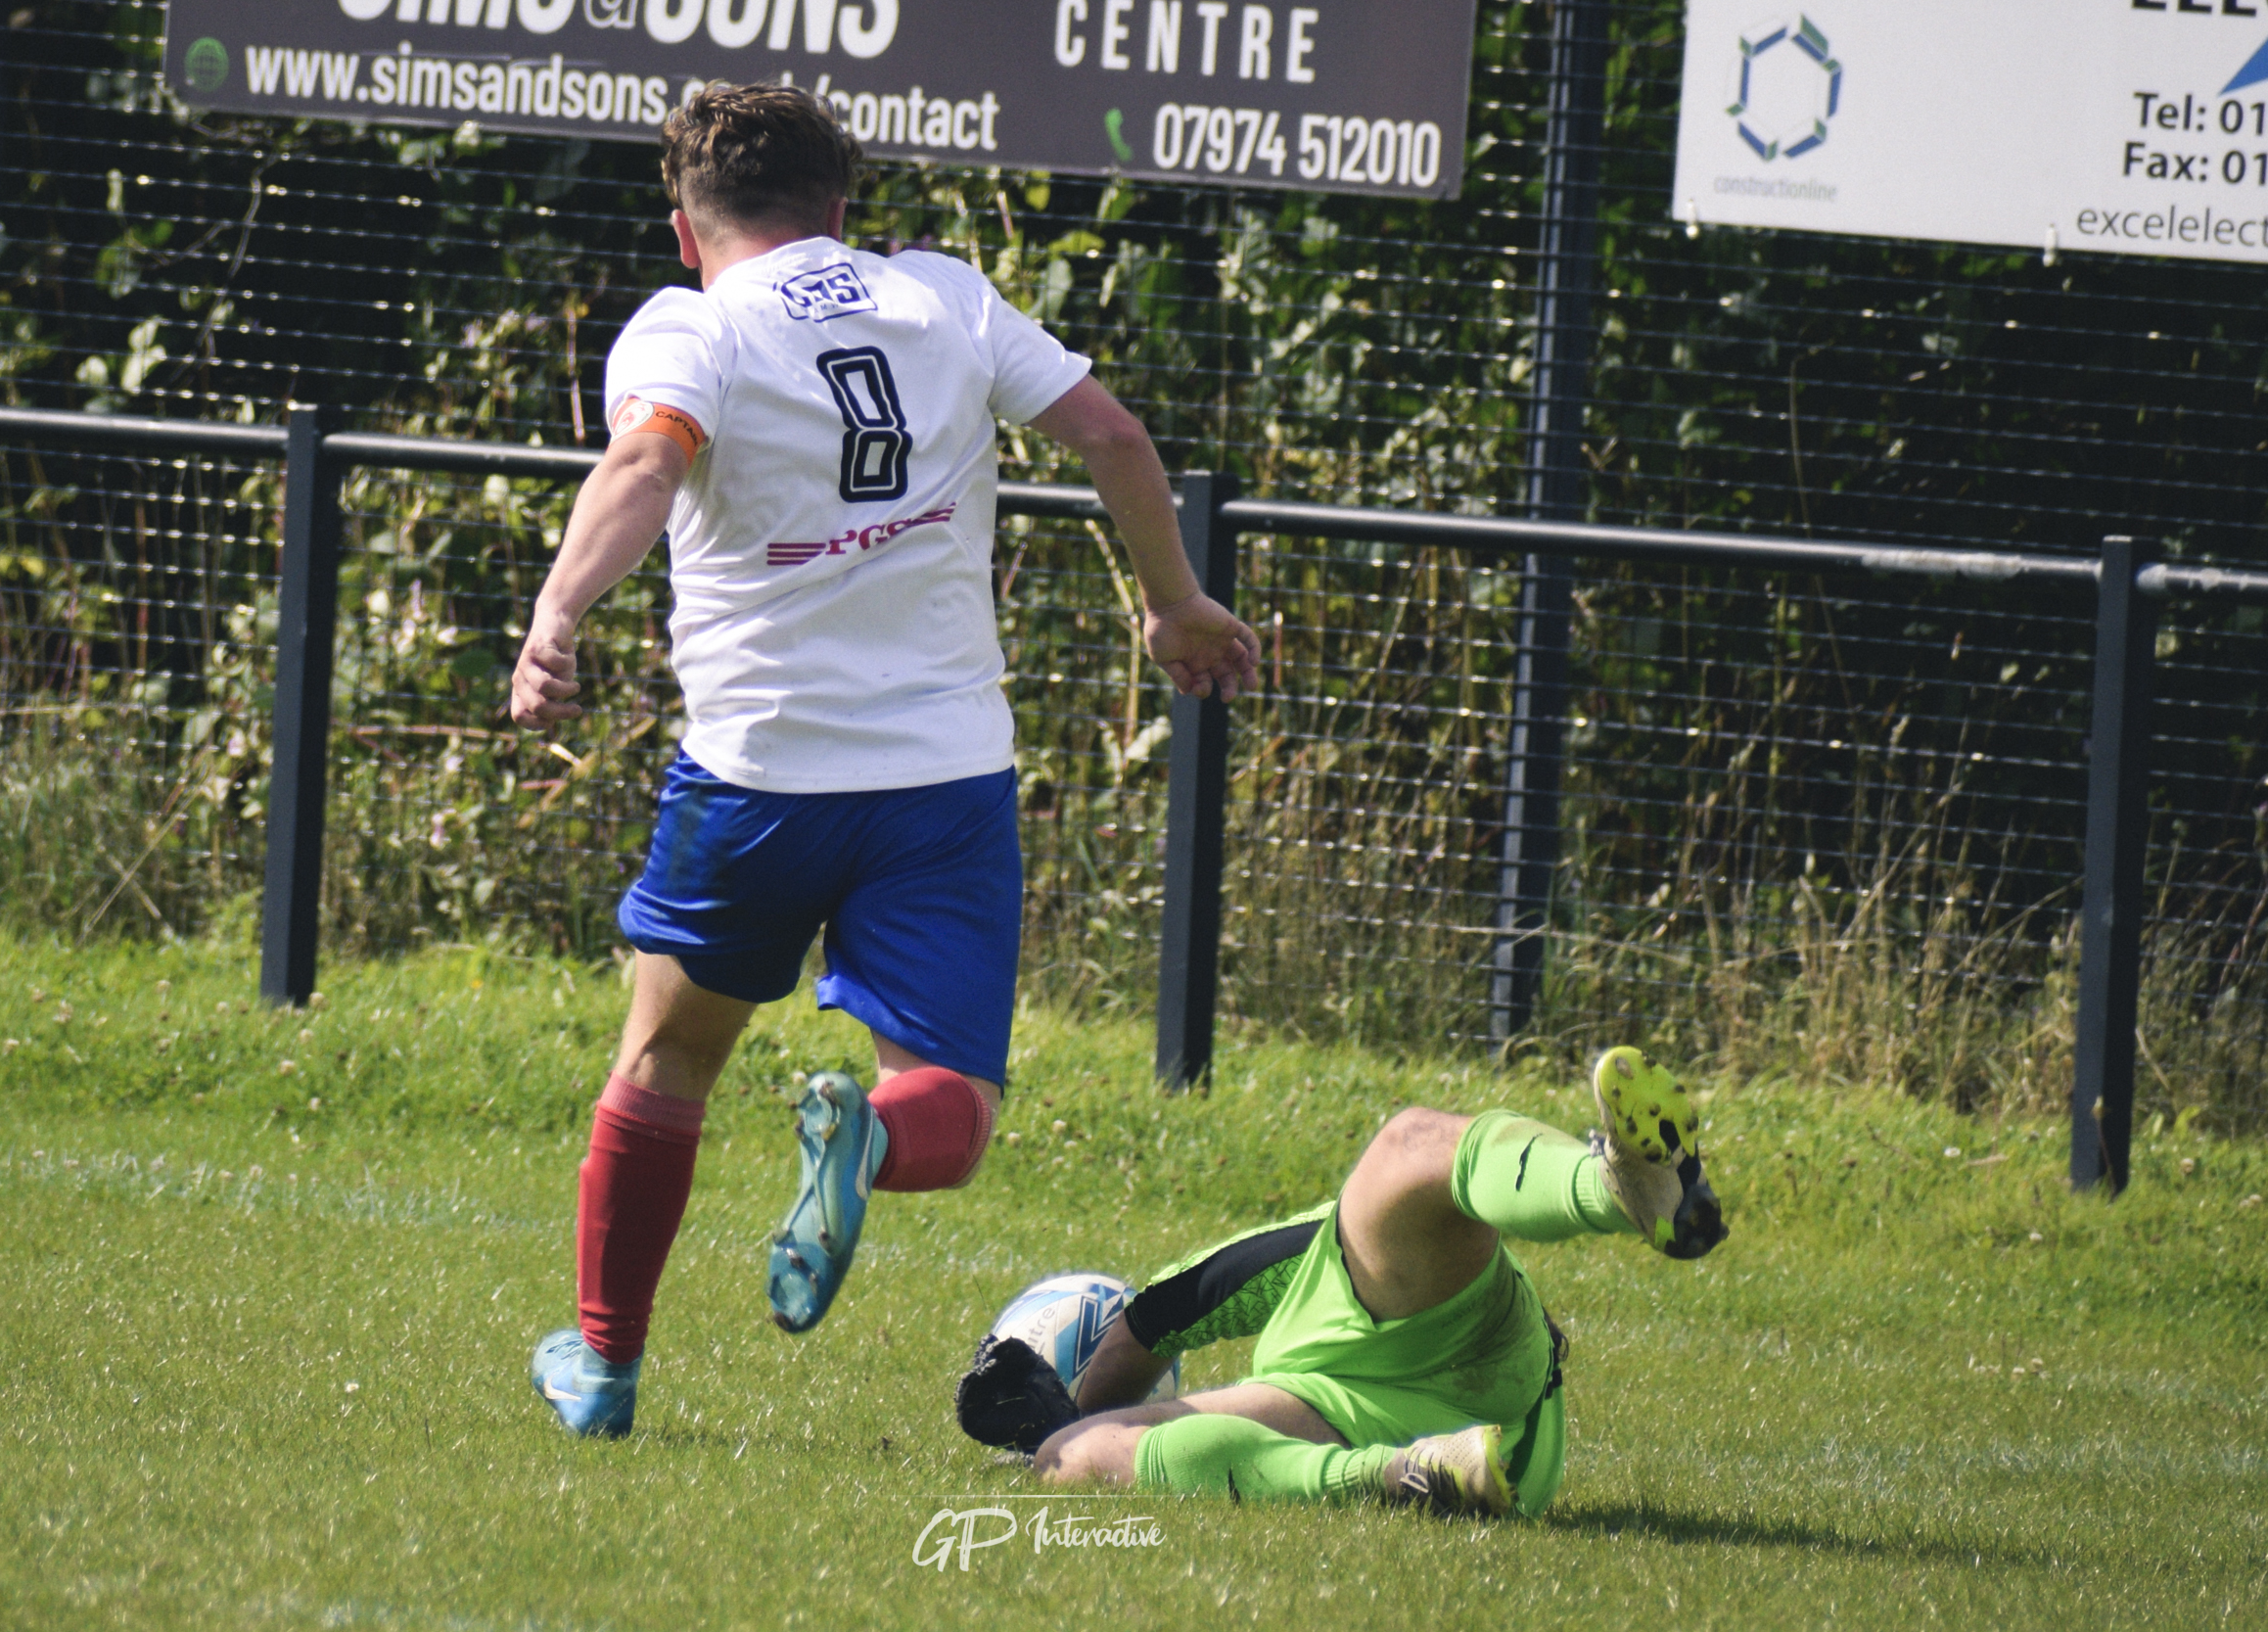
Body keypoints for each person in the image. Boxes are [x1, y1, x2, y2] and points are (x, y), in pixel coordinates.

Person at [509, 83, 1261, 1439]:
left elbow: (644, 459)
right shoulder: (944, 297)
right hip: (942, 783)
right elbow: (1114, 436)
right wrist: (1171, 603)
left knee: (665, 1065)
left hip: (755, 779)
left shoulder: (691, 324)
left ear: (687, 229)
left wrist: (558, 613)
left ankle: (606, 1367)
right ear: (844, 211)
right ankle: (868, 1136)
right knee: (954, 1112)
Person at [956, 1047, 1728, 1517]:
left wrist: (1065, 1426)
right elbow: (1141, 1335)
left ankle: (1618, 1186)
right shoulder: (1295, 1345)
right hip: (1505, 1442)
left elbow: (1141, 1328)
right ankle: (1414, 1474)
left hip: (1460, 1357)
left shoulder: (1273, 1270)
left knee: (1406, 1146)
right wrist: (1062, 1442)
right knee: (1409, 1142)